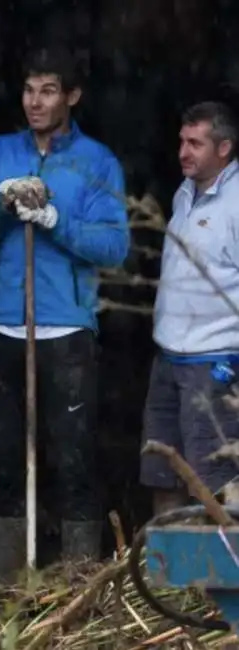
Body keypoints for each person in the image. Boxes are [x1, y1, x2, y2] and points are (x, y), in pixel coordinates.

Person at [0, 48, 129, 580]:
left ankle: (78, 589)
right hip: (5, 326)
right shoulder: (3, 153)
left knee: (74, 463)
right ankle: (2, 597)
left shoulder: (97, 162)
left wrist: (54, 219)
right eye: (30, 90)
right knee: (2, 463)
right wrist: (3, 208)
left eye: (48, 90)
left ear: (71, 96)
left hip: (68, 328)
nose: (35, 101)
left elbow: (114, 247)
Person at [142, 101, 239, 514]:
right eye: (182, 141)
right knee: (163, 473)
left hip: (215, 363)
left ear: (224, 148)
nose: (183, 151)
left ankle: (221, 578)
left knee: (216, 485)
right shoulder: (185, 193)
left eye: (195, 143)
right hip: (169, 360)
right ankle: (167, 579)